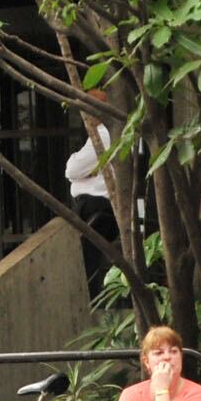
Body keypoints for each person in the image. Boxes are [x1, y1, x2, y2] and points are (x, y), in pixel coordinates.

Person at [62, 122, 122, 291]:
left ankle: (91, 299)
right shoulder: (107, 133)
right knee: (87, 256)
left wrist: (83, 168)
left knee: (86, 258)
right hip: (99, 204)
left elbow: (72, 170)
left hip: (96, 204)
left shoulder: (103, 133)